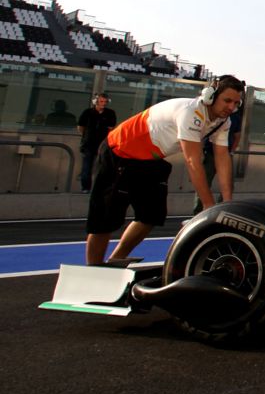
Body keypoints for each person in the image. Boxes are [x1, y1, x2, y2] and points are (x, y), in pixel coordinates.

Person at [85, 75, 244, 265]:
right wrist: (209, 206)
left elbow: (222, 157)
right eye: (227, 100)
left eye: (236, 103)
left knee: (152, 215)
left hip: (149, 160)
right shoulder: (191, 112)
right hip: (119, 152)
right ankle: (93, 267)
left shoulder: (222, 122)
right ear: (211, 95)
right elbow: (192, 160)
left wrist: (227, 203)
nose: (231, 107)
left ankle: (117, 257)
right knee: (103, 220)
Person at [193, 105, 242, 214]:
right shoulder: (210, 115)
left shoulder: (233, 118)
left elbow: (237, 135)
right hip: (210, 152)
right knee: (204, 182)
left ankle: (222, 211)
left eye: (235, 102)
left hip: (225, 153)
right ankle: (198, 213)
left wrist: (231, 151)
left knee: (227, 185)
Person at [76, 92, 117, 193]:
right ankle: (85, 187)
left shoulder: (110, 113)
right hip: (89, 143)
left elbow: (111, 128)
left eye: (105, 102)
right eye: (101, 101)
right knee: (87, 167)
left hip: (102, 143)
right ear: (95, 102)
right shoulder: (88, 112)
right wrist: (86, 136)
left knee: (103, 167)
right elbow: (81, 127)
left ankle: (100, 188)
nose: (103, 104)